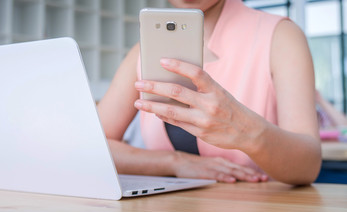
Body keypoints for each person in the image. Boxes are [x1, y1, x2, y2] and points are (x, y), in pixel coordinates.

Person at [98, 0, 321, 185]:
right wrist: (174, 162)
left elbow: (308, 165)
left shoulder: (281, 35)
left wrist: (247, 131)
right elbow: (93, 146)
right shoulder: (142, 52)